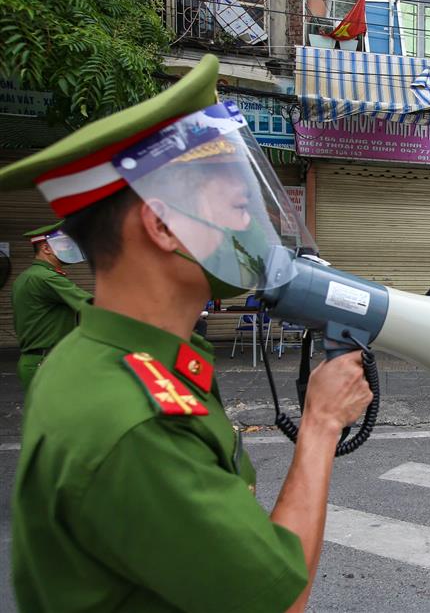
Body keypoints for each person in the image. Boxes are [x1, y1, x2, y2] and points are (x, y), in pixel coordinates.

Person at [1, 55, 373, 612]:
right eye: (238, 204)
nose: (253, 226)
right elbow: (278, 601)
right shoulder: (131, 421)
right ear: (162, 225)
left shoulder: (121, 358)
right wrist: (320, 424)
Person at [11, 221, 92, 390]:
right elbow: (93, 306)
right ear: (46, 248)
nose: (68, 249)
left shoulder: (28, 276)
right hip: (47, 362)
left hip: (40, 360)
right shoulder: (46, 278)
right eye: (64, 245)